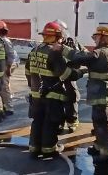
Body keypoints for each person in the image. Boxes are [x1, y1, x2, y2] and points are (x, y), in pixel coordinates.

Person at [56, 26, 108, 162]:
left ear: (104, 38)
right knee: (99, 122)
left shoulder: (100, 52)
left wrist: (62, 49)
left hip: (102, 95)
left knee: (104, 124)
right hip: (105, 94)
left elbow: (81, 57)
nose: (95, 40)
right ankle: (99, 146)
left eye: (96, 37)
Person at [29, 22, 84, 159]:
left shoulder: (35, 50)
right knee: (50, 122)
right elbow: (65, 74)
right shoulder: (54, 52)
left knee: (37, 121)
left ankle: (34, 147)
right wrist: (80, 72)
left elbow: (27, 72)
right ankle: (49, 149)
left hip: (36, 95)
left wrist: (34, 88)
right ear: (57, 37)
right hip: (52, 95)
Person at [52, 20, 83, 134]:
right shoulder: (50, 43)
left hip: (69, 75)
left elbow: (79, 57)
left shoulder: (71, 42)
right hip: (55, 76)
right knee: (57, 99)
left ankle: (72, 121)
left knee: (72, 97)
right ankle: (59, 123)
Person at [0, 20, 20, 116]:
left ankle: (9, 108)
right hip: (7, 63)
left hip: (10, 63)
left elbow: (10, 56)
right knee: (3, 85)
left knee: (4, 85)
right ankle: (6, 105)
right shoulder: (0, 40)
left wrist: (8, 68)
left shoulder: (4, 41)